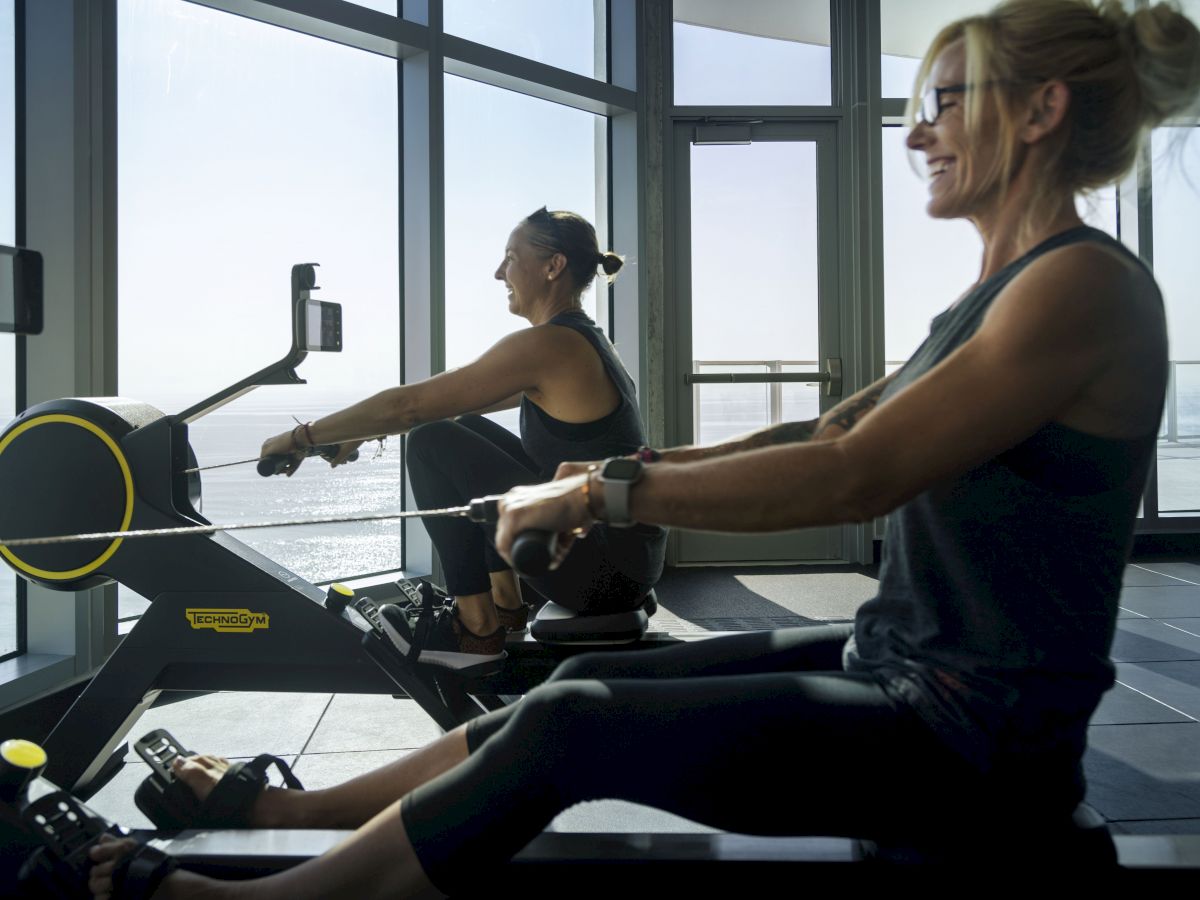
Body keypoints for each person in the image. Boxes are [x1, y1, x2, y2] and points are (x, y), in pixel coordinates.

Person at [87, 1, 1200, 896]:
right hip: (901, 663)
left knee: (577, 725)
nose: (917, 135)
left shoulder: (1082, 287)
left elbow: (857, 475)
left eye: (946, 103)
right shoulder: (1010, 291)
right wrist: (603, 474)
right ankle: (293, 816)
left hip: (970, 738)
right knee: (574, 680)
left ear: (1043, 109)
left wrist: (611, 498)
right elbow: (828, 429)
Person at [258, 207, 666, 671]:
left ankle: (475, 627)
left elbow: (409, 408)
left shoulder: (548, 346)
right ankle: (505, 604)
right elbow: (455, 404)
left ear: (553, 267)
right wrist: (357, 434)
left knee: (432, 441)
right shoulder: (579, 340)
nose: (499, 273)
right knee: (462, 431)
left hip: (603, 573)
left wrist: (300, 437)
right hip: (623, 563)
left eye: (511, 258)